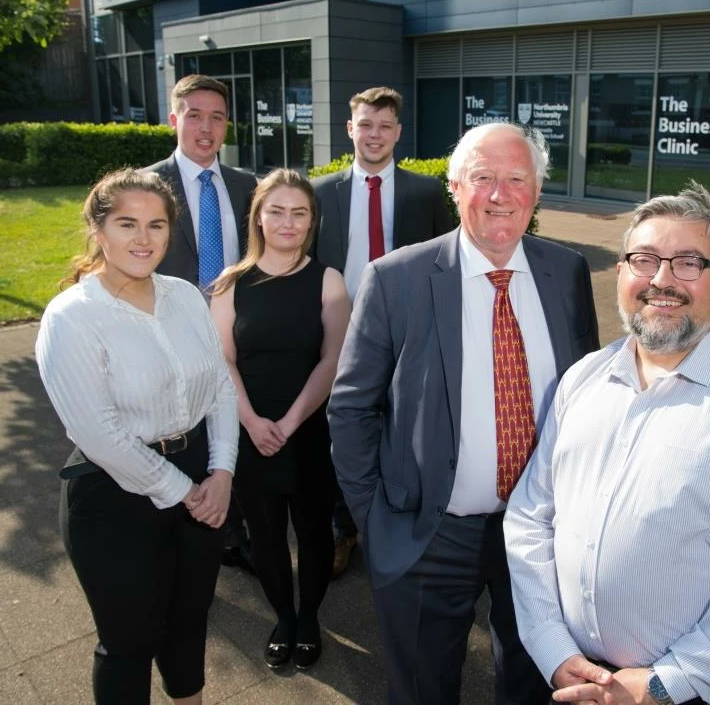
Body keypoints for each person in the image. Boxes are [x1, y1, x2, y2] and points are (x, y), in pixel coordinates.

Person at [504, 183, 710, 705]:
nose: (661, 279)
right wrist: (552, 648)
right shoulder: (582, 380)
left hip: (695, 692)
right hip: (572, 676)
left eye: (687, 263)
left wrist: (663, 685)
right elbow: (530, 517)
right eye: (644, 259)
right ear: (621, 272)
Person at [328, 123, 599, 704]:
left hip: (545, 534)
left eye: (516, 179)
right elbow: (351, 409)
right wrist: (376, 520)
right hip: (430, 534)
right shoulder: (396, 278)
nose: (500, 194)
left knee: (535, 685)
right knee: (424, 689)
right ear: (454, 187)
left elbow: (588, 395)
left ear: (537, 191)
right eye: (483, 178)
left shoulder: (568, 274)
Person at [36, 168, 239, 704]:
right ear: (98, 231)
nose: (144, 239)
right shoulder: (73, 317)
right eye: (128, 224)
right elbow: (97, 432)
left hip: (200, 475)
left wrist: (221, 473)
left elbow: (218, 386)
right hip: (113, 496)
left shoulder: (185, 297)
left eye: (156, 225)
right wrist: (184, 491)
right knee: (129, 642)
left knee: (189, 619)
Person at [210, 169, 350, 670]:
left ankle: (309, 614)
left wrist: (288, 424)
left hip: (308, 433)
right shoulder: (229, 284)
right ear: (259, 217)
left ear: (311, 221)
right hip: (251, 434)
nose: (287, 222)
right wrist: (250, 421)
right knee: (264, 538)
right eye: (277, 211)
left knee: (314, 534)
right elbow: (222, 361)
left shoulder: (328, 281)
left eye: (299, 212)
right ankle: (283, 616)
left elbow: (332, 361)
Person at [312, 85, 454, 578]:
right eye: (365, 125)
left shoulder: (424, 192)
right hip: (339, 329)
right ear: (350, 129)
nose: (375, 135)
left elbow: (445, 262)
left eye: (385, 126)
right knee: (343, 423)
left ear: (398, 132)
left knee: (404, 423)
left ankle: (400, 520)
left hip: (405, 328)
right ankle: (342, 527)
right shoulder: (321, 192)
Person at [146, 73, 258, 572]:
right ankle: (193, 525)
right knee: (187, 433)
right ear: (174, 119)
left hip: (237, 333)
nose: (206, 128)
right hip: (171, 336)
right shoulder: (147, 187)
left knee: (233, 425)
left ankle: (237, 528)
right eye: (194, 115)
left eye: (217, 117)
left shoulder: (247, 185)